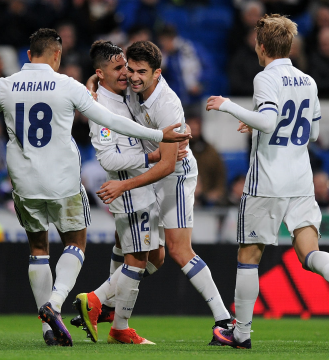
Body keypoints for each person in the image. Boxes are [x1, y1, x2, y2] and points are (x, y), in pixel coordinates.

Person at [0, 28, 190, 347]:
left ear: (29, 55)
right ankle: (55, 304)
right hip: (62, 182)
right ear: (57, 55)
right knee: (76, 243)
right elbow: (110, 120)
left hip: (24, 182)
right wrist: (159, 136)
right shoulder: (66, 85)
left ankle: (47, 329)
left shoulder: (5, 86)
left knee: (38, 249)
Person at [205, 14, 329, 349]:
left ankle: (241, 334)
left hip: (268, 181)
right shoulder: (308, 80)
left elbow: (267, 120)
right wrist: (267, 123)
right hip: (301, 179)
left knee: (248, 257)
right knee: (309, 251)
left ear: (261, 47)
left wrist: (229, 106)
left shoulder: (265, 77)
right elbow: (316, 132)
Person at [92, 40, 233, 344]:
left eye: (142, 71)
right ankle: (107, 307)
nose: (133, 76)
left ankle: (224, 320)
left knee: (178, 250)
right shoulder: (130, 85)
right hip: (149, 174)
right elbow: (104, 80)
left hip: (175, 177)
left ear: (157, 73)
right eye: (130, 69)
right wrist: (93, 82)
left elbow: (168, 165)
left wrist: (123, 185)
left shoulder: (167, 105)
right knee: (145, 251)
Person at [71, 40, 188, 345]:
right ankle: (116, 323)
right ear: (102, 72)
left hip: (142, 188)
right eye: (118, 68)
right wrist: (151, 157)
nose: (126, 74)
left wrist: (93, 82)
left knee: (157, 257)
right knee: (136, 260)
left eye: (126, 66)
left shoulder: (121, 95)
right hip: (129, 191)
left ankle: (103, 302)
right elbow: (108, 158)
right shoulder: (101, 108)